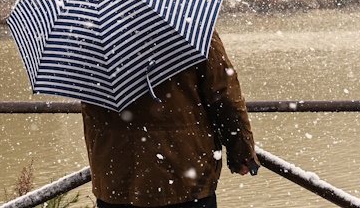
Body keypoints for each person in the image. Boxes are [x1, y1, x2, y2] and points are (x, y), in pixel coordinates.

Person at [80, 31, 257, 208]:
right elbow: (224, 97)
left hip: (115, 179)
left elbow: (90, 109)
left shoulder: (89, 37)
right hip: (184, 176)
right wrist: (241, 151)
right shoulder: (191, 28)